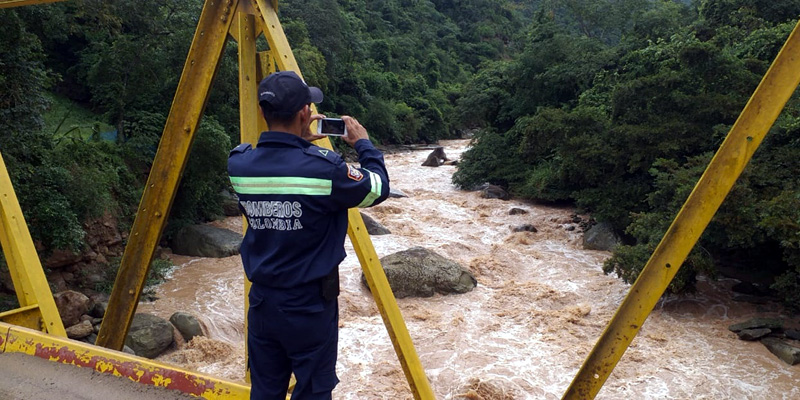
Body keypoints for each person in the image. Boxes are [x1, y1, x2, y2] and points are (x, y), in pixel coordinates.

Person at [227, 70, 390, 400]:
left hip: (262, 302)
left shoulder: (239, 164)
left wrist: (297, 144)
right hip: (309, 306)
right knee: (313, 391)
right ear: (305, 114)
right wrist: (363, 143)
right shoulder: (326, 169)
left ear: (262, 113)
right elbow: (377, 187)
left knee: (265, 388)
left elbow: (272, 168)